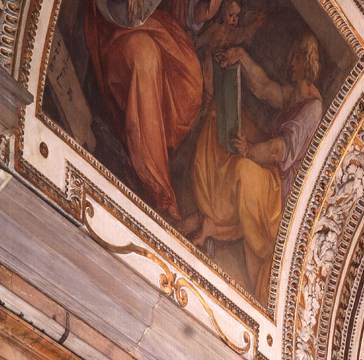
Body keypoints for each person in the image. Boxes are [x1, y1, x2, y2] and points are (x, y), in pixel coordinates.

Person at [188, 31, 323, 297]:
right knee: (225, 123)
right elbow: (264, 88)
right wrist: (240, 56)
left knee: (243, 169)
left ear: (305, 61)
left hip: (280, 191)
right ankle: (214, 214)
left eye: (295, 58)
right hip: (270, 173)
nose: (290, 63)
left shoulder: (313, 107)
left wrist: (249, 151)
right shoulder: (295, 95)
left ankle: (224, 226)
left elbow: (280, 150)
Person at [83, 0, 221, 222]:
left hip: (156, 25)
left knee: (191, 81)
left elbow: (180, 10)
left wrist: (197, 12)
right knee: (145, 56)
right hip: (114, 28)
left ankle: (151, 141)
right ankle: (156, 184)